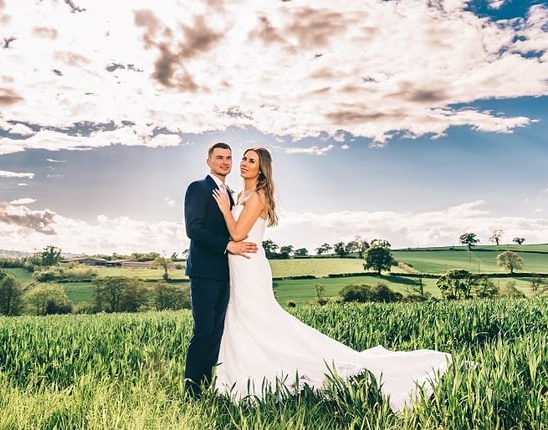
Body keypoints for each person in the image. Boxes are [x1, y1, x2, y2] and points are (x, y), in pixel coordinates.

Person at [211, 146, 451, 412]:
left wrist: (223, 208)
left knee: (257, 320)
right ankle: (238, 376)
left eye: (251, 160)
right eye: (243, 158)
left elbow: (236, 234)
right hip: (238, 267)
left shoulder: (257, 196)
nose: (244, 163)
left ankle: (264, 375)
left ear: (262, 169)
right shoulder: (240, 194)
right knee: (243, 320)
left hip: (249, 266)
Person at [183, 142, 258, 399]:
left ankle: (205, 386)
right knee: (203, 331)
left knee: (216, 333)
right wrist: (227, 245)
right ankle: (191, 391)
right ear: (209, 161)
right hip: (204, 272)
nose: (225, 162)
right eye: (219, 158)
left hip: (228, 273)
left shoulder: (233, 194)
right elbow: (194, 229)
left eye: (228, 158)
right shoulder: (198, 188)